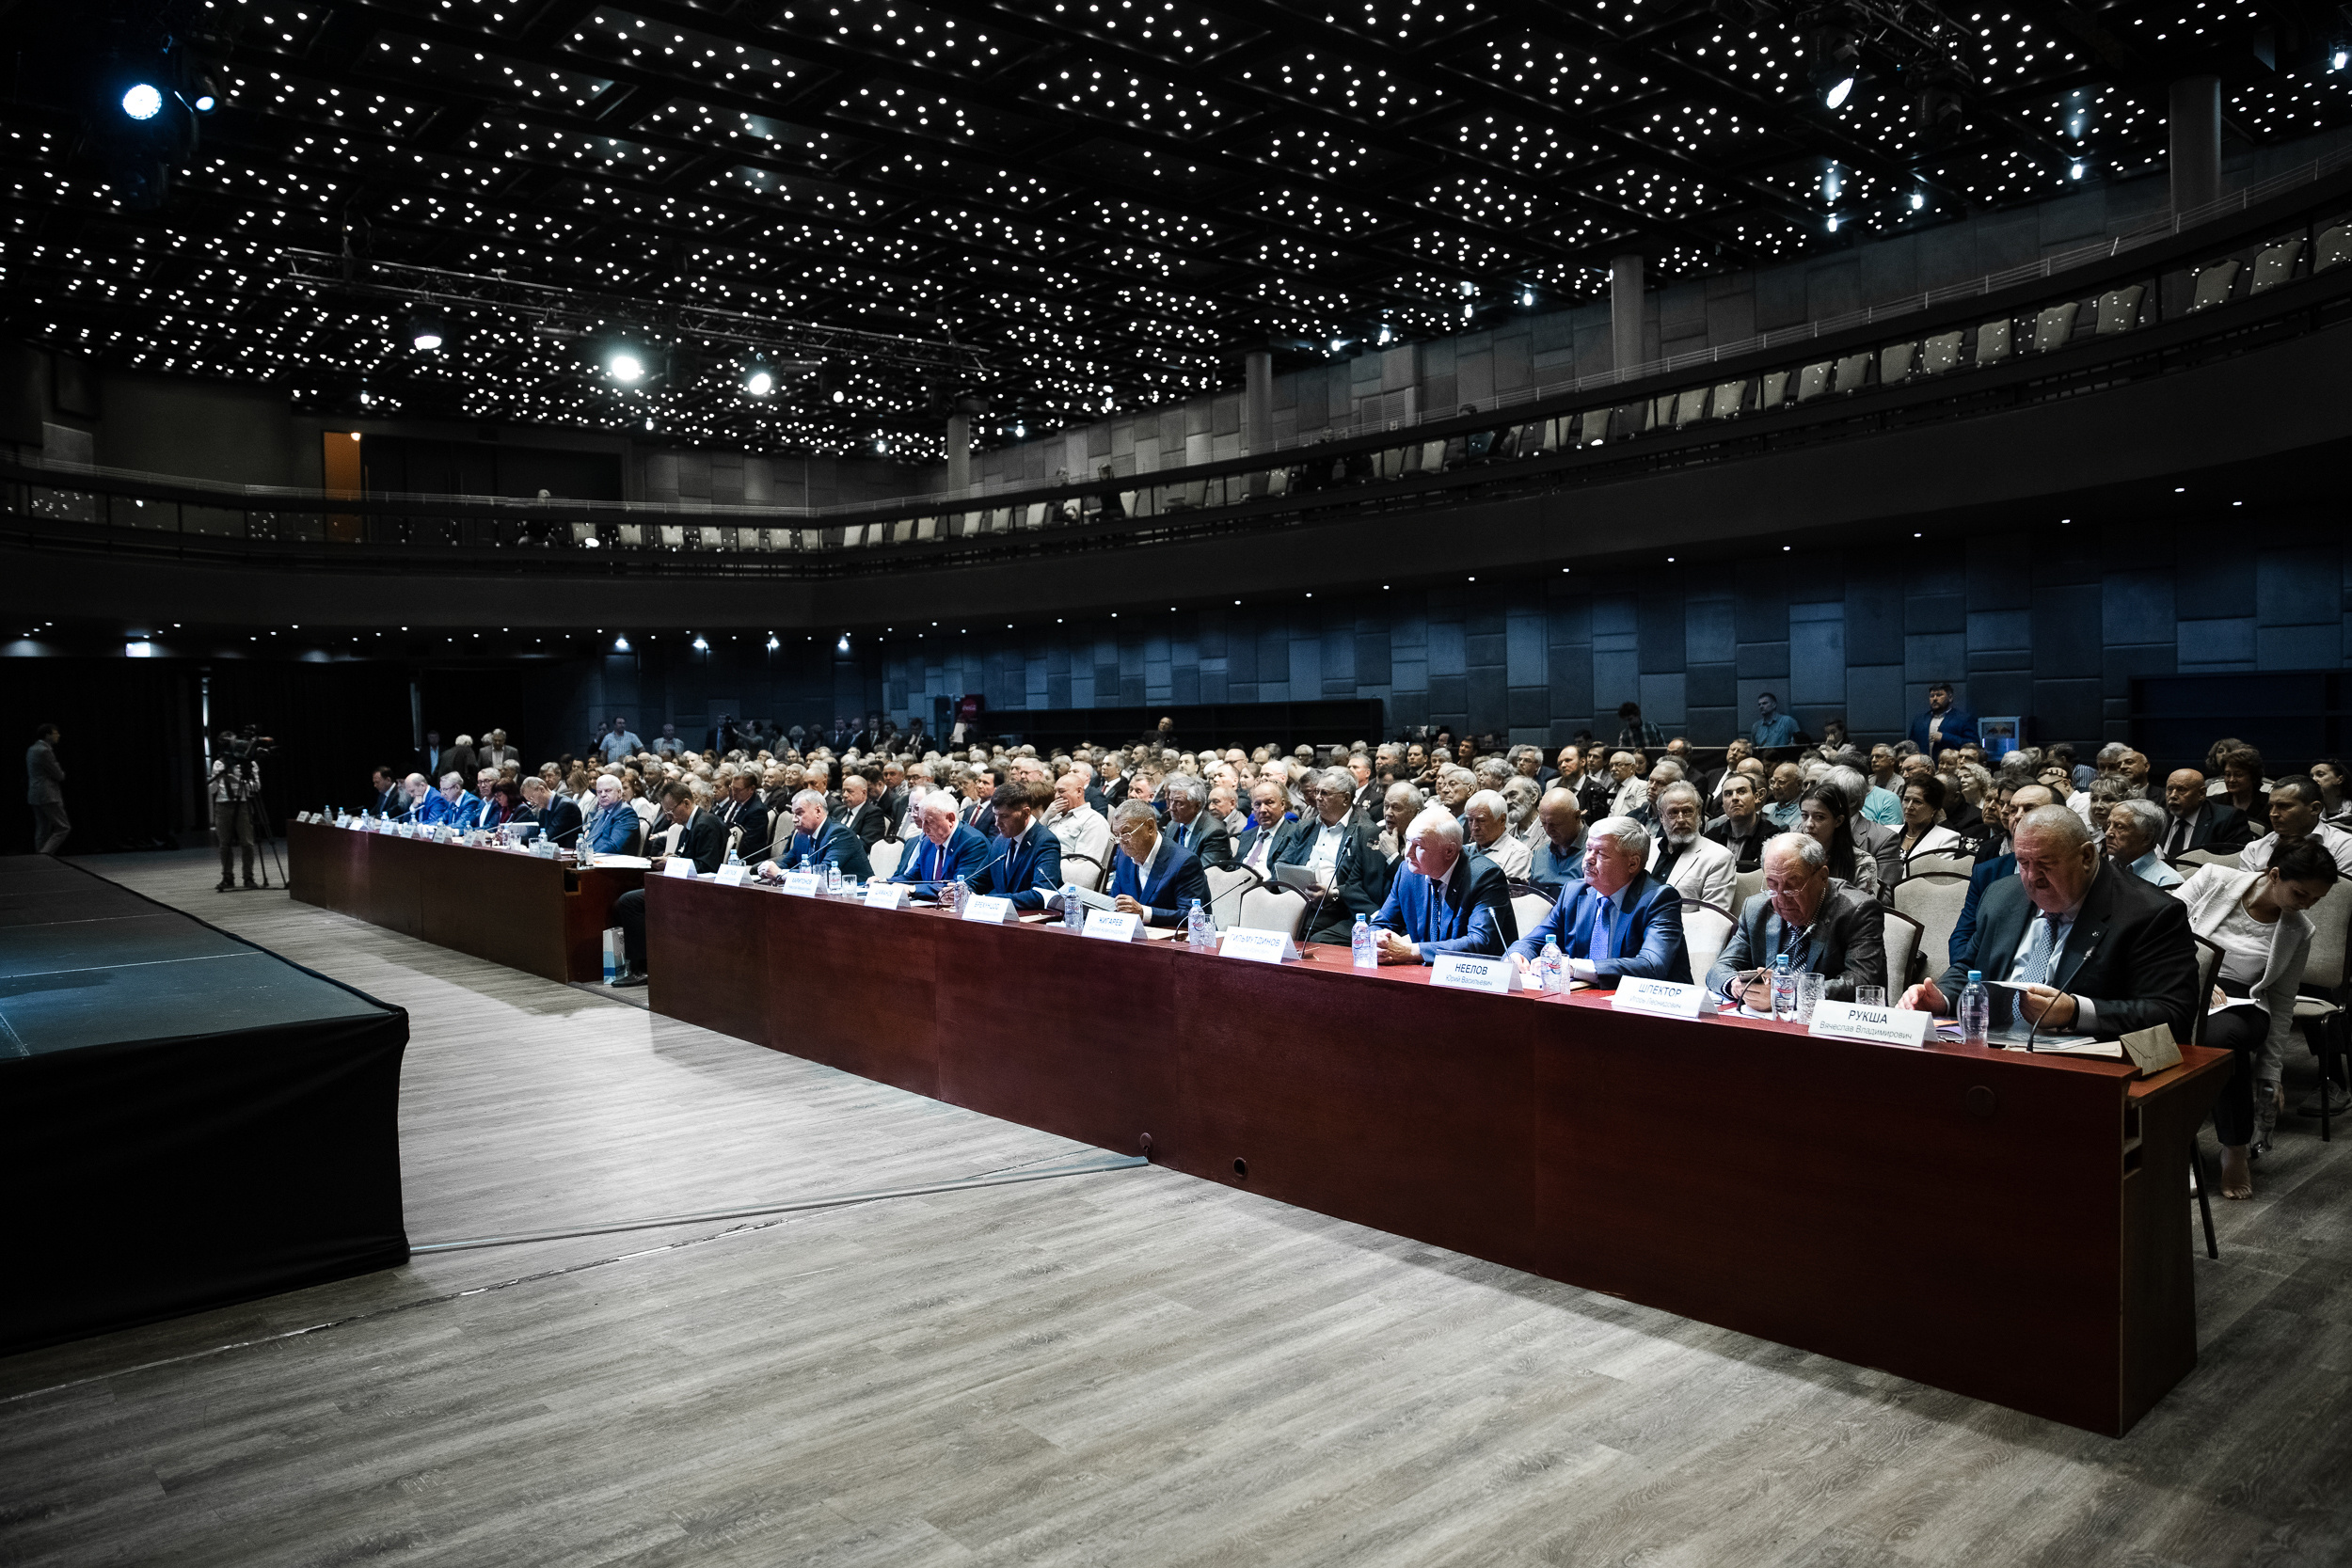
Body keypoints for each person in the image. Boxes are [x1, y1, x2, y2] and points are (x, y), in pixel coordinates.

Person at [1899, 804, 2198, 1046]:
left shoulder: (2149, 913)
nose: (2032, 878)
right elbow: (1969, 967)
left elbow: (2173, 1014)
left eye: (2045, 863)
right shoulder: (2002, 896)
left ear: (2086, 856)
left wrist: (2077, 1012)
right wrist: (1942, 998)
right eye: (2024, 863)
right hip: (1991, 1052)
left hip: (2084, 1067)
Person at [2175, 841, 2339, 1195]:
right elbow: (2161, 931)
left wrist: (2270, 1073)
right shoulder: (2214, 878)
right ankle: (2182, 1150)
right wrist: (2200, 976)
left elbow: (2282, 1004)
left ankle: (2233, 1150)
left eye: (2316, 899)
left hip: (2246, 1002)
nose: (2306, 905)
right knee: (2185, 1034)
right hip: (2187, 983)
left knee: (2220, 1039)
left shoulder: (2299, 929)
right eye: (2301, 894)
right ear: (2274, 875)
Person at [1704, 832, 1887, 1007]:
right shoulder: (1755, 908)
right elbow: (1719, 969)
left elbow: (1862, 982)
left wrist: (1785, 992)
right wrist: (1736, 985)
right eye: (1773, 885)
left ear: (1822, 877)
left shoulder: (1858, 911)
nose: (1782, 899)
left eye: (1792, 887)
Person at [1507, 816, 1690, 987]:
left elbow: (1651, 965)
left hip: (1649, 1011)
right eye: (1588, 849)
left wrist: (1575, 967)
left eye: (1601, 853)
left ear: (1632, 863)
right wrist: (1518, 954)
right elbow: (1535, 940)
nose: (1588, 859)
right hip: (1583, 1005)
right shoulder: (1574, 892)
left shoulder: (1659, 900)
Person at [610, 783, 726, 988]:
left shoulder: (706, 824)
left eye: (670, 812)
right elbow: (688, 858)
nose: (669, 818)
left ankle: (643, 969)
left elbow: (707, 867)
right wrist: (668, 860)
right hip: (682, 885)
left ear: (687, 803)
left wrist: (671, 863)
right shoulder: (689, 825)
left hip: (699, 892)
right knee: (628, 895)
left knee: (629, 902)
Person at [1369, 808, 1518, 964]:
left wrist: (1410, 950)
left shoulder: (1484, 876)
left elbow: (1479, 942)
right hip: (1425, 974)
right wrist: (1379, 941)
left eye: (1418, 845)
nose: (1408, 854)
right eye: (1407, 842)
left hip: (1477, 978)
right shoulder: (1408, 872)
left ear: (1449, 850)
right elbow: (1381, 923)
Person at [1271, 768, 1392, 942]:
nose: (1318, 797)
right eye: (1317, 792)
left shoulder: (1364, 831)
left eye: (1325, 793)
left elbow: (1362, 883)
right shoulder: (1305, 827)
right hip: (1296, 900)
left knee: (1299, 929)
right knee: (1262, 919)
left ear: (1345, 798)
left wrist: (1334, 893)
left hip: (1337, 907)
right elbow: (1281, 865)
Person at [1104, 799, 1212, 928]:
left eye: (1126, 833)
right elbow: (1115, 901)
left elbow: (1191, 916)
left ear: (1150, 827)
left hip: (1179, 940)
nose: (1122, 842)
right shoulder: (1124, 858)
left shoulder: (1184, 862)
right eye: (1117, 835)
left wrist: (1144, 912)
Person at [965, 781, 1062, 911]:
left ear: (1026, 813)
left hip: (1032, 923)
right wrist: (961, 889)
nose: (997, 823)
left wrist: (987, 900)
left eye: (1004, 816)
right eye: (995, 815)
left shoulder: (1046, 842)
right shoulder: (1000, 841)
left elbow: (1042, 894)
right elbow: (977, 881)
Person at [2237, 774, 2352, 878]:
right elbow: (2248, 896)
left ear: (2315, 808)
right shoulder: (2254, 849)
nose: (2273, 814)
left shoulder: (2344, 846)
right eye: (2271, 806)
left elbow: (2340, 897)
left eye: (2284, 806)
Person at [1645, 781, 1736, 909]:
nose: (1681, 819)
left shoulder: (1719, 857)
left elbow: (1714, 917)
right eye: (1673, 812)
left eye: (1687, 811)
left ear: (1698, 813)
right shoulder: (1646, 848)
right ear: (1661, 817)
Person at [761, 789, 875, 880]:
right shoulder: (802, 835)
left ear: (818, 811)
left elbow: (823, 873)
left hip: (855, 898)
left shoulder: (840, 834)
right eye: (793, 814)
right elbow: (787, 862)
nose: (794, 819)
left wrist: (780, 874)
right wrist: (767, 868)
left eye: (799, 813)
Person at [892, 794, 991, 892]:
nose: (924, 828)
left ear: (950, 819)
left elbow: (959, 887)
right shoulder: (927, 842)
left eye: (929, 821)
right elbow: (912, 877)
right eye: (922, 821)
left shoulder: (973, 842)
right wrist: (884, 883)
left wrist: (913, 890)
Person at [1796, 782, 1877, 900]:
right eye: (1804, 815)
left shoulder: (1862, 863)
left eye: (1819, 817)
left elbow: (1863, 911)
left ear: (1838, 821)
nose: (1809, 824)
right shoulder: (1793, 855)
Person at [208, 734, 262, 891]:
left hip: (243, 804)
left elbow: (256, 787)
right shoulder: (219, 764)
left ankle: (249, 878)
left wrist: (236, 781)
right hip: (223, 805)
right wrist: (217, 780)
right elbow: (212, 790)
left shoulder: (248, 764)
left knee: (247, 843)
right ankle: (227, 877)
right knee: (224, 844)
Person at [2154, 768, 2249, 858]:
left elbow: (2230, 863)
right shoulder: (2158, 818)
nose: (2173, 795)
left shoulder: (2228, 819)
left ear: (2201, 794)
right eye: (2170, 789)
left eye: (2182, 790)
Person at [1703, 771, 1772, 873]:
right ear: (1723, 802)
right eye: (1728, 794)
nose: (1734, 798)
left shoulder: (1772, 837)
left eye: (1741, 792)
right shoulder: (1709, 838)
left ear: (1756, 797)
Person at [1045, 768, 1113, 873]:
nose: (1056, 796)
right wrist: (1046, 816)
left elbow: (1084, 866)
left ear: (1079, 791)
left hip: (1057, 877)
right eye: (1055, 792)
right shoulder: (1053, 817)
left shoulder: (1093, 821)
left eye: (1061, 791)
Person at [2105, 799, 2180, 888]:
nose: (2108, 833)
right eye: (2109, 824)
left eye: (2120, 827)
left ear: (2147, 838)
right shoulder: (2105, 871)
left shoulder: (2167, 882)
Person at [1526, 788, 1588, 895]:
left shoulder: (1597, 852)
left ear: (1577, 816)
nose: (1548, 830)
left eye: (1555, 824)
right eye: (1543, 823)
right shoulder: (1540, 853)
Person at [1162, 774, 1232, 868]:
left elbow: (1204, 872)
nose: (1171, 808)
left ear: (1197, 805)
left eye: (1179, 803)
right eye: (1171, 800)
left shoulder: (1215, 832)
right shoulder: (1172, 825)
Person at [1461, 788, 1532, 880]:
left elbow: (1504, 893)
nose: (1474, 827)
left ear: (1502, 820)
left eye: (1481, 821)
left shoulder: (1518, 854)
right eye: (1470, 820)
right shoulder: (1464, 851)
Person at [1894, 776, 1963, 863]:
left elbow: (1937, 874)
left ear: (1934, 808)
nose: (1909, 807)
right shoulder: (1888, 831)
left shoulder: (1946, 838)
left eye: (1917, 802)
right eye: (1906, 800)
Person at [1233, 780, 1291, 875]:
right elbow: (1235, 868)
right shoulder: (1247, 835)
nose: (1262, 810)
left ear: (1282, 804)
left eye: (1269, 802)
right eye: (1258, 804)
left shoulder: (1293, 833)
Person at [27, 722, 68, 854]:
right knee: (63, 827)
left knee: (43, 828)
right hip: (47, 794)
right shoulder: (45, 750)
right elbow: (58, 775)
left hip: (35, 793)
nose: (58, 735)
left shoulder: (32, 749)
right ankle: (44, 856)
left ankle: (41, 859)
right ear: (47, 735)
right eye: (55, 733)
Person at [1908, 681, 1976, 756]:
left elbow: (1974, 745)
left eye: (1939, 695)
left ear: (1950, 698)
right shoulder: (1919, 720)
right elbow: (1911, 745)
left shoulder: (1964, 719)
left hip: (1952, 766)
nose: (1935, 699)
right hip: (1923, 766)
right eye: (1932, 696)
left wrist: (1945, 737)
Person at [716, 769, 771, 863]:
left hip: (744, 857)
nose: (733, 792)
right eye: (732, 788)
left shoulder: (757, 811)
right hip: (724, 847)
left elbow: (748, 843)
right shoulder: (735, 800)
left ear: (751, 789)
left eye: (737, 790)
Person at [581, 774, 643, 856]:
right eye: (599, 792)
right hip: (594, 861)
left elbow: (614, 847)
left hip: (614, 865)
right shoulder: (600, 813)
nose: (603, 795)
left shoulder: (626, 813)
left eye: (607, 790)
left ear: (619, 792)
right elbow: (588, 839)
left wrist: (588, 855)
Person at [522, 776, 583, 847]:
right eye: (529, 801)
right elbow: (539, 834)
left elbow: (549, 838)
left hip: (569, 854)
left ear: (541, 789)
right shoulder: (543, 809)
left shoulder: (565, 806)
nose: (532, 803)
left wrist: (520, 839)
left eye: (531, 798)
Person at [834, 772, 889, 850]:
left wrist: (838, 845)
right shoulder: (838, 811)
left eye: (850, 791)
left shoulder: (873, 813)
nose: (845, 795)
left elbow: (866, 844)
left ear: (863, 793)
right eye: (843, 791)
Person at [1761, 761, 1804, 830]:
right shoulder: (1766, 809)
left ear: (1799, 784)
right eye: (1773, 782)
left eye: (1781, 782)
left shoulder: (1804, 814)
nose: (1775, 786)